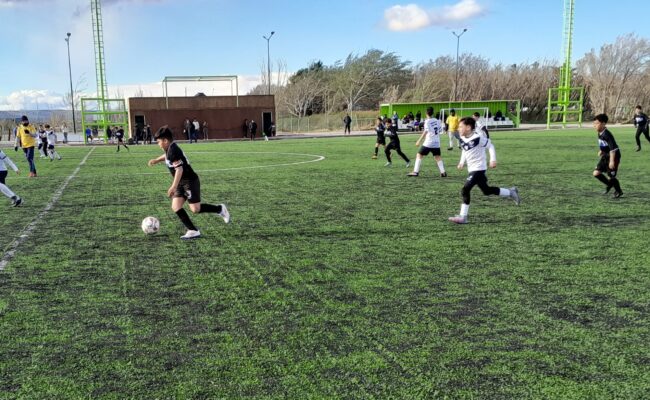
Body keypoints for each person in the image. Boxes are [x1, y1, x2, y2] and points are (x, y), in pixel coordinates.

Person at [147, 126, 230, 240]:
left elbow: (179, 170)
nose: (158, 144)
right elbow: (167, 157)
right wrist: (156, 160)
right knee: (176, 206)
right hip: (181, 182)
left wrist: (173, 186)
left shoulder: (173, 151)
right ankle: (193, 230)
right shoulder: (169, 149)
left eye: (158, 141)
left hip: (190, 181)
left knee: (195, 209)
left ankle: (220, 209)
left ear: (165, 141)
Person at [448, 117, 519, 224]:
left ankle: (463, 217)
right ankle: (511, 192)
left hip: (479, 169)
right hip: (472, 169)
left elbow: (490, 146)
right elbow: (464, 150)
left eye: (460, 126)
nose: (458, 128)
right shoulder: (462, 138)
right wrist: (462, 162)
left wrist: (493, 160)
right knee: (486, 191)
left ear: (468, 127)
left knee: (465, 190)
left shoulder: (478, 138)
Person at [407, 107, 447, 177]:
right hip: (437, 142)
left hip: (429, 142)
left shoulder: (427, 121)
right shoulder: (437, 120)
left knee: (419, 154)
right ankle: (443, 172)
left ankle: (415, 172)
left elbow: (425, 131)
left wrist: (419, 140)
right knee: (437, 157)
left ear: (426, 113)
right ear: (433, 113)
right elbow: (440, 130)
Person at [593, 114, 623, 198]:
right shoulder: (600, 132)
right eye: (594, 123)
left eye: (596, 123)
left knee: (611, 176)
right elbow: (604, 144)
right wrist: (601, 151)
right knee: (596, 173)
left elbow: (613, 148)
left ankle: (619, 191)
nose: (594, 125)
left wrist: (612, 161)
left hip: (614, 156)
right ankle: (610, 185)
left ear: (603, 124)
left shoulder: (607, 134)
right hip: (606, 155)